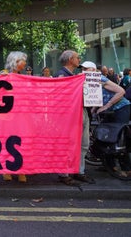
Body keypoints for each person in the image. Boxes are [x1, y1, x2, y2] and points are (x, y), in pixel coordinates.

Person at [81, 61, 131, 175]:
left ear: (93, 70)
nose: (83, 71)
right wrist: (94, 109)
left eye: (86, 69)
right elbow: (98, 96)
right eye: (82, 69)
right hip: (110, 111)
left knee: (119, 137)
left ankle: (127, 168)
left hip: (121, 108)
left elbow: (121, 91)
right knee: (106, 136)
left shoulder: (101, 79)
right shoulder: (90, 81)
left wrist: (106, 105)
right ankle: (109, 165)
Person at [55, 50, 95, 186]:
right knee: (68, 144)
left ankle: (79, 171)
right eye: (78, 58)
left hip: (82, 111)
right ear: (70, 59)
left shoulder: (75, 76)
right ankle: (64, 174)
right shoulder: (61, 75)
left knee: (83, 144)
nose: (79, 60)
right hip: (68, 115)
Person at [0, 51, 27, 183]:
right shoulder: (3, 74)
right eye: (23, 60)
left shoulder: (23, 76)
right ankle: (7, 169)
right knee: (7, 142)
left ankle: (20, 169)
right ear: (15, 61)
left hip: (20, 115)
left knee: (20, 142)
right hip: (7, 116)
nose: (25, 63)